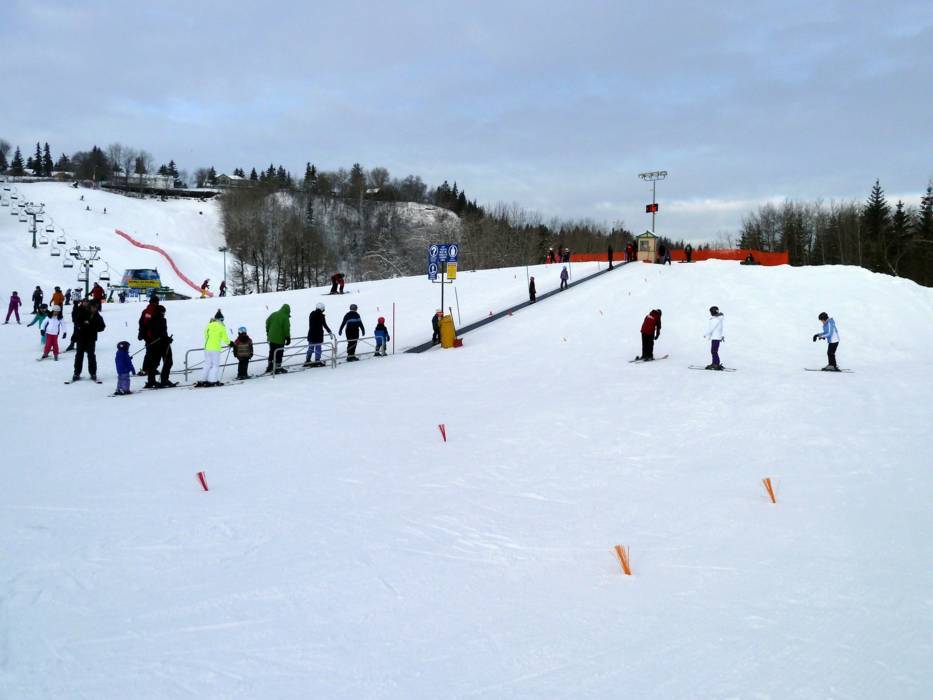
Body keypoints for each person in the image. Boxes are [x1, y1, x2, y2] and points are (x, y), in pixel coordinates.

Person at [72, 300, 105, 381]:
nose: (95, 309)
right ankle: (77, 373)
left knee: (91, 356)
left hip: (91, 339)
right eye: (93, 307)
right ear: (90, 306)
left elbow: (102, 327)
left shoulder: (97, 316)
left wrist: (91, 326)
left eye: (96, 307)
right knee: (79, 355)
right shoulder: (82, 312)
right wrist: (83, 324)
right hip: (81, 338)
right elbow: (76, 322)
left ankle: (93, 373)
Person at [143, 305, 175, 388]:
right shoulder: (161, 320)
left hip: (152, 344)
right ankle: (164, 380)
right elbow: (161, 334)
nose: (164, 314)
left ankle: (151, 381)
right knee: (168, 362)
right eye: (163, 312)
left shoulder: (150, 319)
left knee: (154, 363)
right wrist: (167, 339)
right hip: (162, 344)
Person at [197, 310, 231, 387]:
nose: (223, 321)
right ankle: (212, 380)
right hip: (215, 348)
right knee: (215, 365)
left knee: (207, 364)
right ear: (219, 319)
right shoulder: (221, 326)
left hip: (207, 348)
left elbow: (206, 336)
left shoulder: (209, 325)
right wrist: (230, 343)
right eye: (222, 319)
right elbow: (225, 338)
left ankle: (203, 380)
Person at [138, 294, 160, 376]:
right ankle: (151, 369)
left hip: (147, 336)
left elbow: (141, 323)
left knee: (149, 353)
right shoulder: (156, 310)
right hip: (154, 336)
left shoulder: (145, 311)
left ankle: (146, 368)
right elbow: (156, 324)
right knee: (155, 353)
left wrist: (141, 333)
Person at [265, 304, 291, 373]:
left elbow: (267, 322)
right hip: (279, 339)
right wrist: (288, 337)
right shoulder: (285, 317)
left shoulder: (273, 314)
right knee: (279, 353)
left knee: (272, 352)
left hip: (271, 338)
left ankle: (270, 366)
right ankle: (277, 367)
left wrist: (268, 331)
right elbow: (286, 329)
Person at [305, 302, 332, 367]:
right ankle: (317, 361)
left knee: (310, 347)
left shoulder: (311, 314)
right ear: (322, 309)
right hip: (318, 335)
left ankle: (308, 360)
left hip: (311, 334)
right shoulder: (321, 316)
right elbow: (325, 325)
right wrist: (330, 332)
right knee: (318, 348)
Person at [704, 306, 725, 370]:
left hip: (715, 337)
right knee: (714, 351)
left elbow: (711, 329)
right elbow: (720, 329)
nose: (710, 313)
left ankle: (715, 364)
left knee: (713, 351)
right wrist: (721, 336)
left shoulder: (715, 319)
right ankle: (716, 363)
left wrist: (705, 334)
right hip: (717, 337)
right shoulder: (719, 319)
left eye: (711, 312)